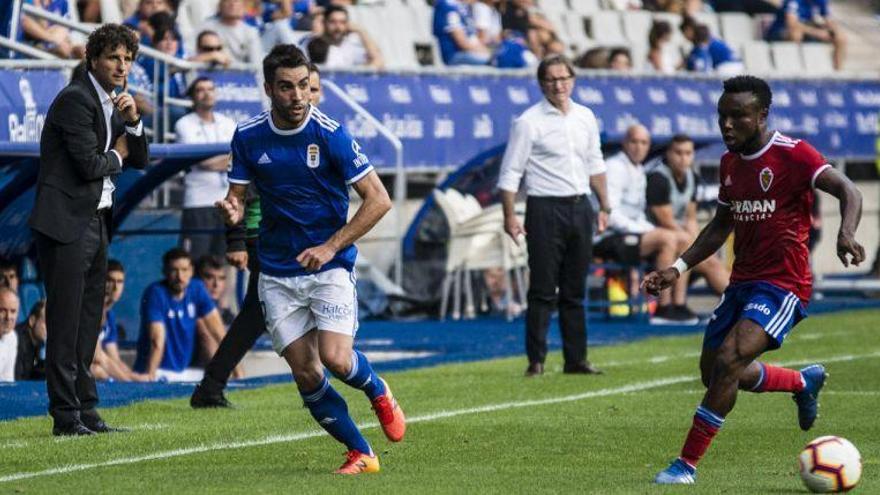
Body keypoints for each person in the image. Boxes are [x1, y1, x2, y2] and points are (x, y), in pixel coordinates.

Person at [648, 76, 865, 485]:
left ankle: (684, 466)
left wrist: (846, 232)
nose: (727, 125)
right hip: (741, 282)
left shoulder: (794, 154)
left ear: (761, 115)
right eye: (722, 116)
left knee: (731, 359)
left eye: (738, 116)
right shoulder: (731, 164)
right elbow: (720, 226)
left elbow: (849, 190)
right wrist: (675, 269)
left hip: (784, 284)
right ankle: (802, 382)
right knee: (715, 372)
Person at [217, 44, 405, 474]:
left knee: (337, 359)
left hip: (329, 265)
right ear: (269, 89)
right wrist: (231, 210)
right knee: (305, 372)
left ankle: (376, 389)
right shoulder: (248, 136)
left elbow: (379, 200)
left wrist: (331, 246)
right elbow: (237, 198)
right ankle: (362, 453)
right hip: (277, 272)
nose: (298, 96)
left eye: (304, 86)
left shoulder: (331, 133)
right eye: (286, 88)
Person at [29, 24, 148, 436]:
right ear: (93, 58)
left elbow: (142, 159)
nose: (122, 66)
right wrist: (118, 151)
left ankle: (87, 410)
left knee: (88, 323)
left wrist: (132, 121)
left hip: (95, 221)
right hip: (66, 225)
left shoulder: (113, 102)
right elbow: (91, 166)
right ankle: (65, 416)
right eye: (114, 57)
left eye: (128, 59)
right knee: (65, 323)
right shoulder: (76, 100)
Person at [190, 63, 324, 409]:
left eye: (311, 88)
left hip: (298, 241)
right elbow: (236, 191)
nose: (305, 96)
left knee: (256, 315)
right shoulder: (259, 136)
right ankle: (214, 384)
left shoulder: (322, 136)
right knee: (259, 314)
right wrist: (236, 240)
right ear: (273, 91)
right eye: (294, 88)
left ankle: (212, 385)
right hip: (264, 238)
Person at [497, 54, 611, 377]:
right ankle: (536, 360)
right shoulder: (529, 121)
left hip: (580, 206)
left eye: (564, 78)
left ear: (573, 80)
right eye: (551, 79)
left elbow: (596, 163)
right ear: (541, 84)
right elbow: (510, 173)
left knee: (575, 289)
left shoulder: (585, 117)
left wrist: (605, 205)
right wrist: (510, 216)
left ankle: (576, 359)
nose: (558, 85)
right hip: (544, 207)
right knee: (543, 289)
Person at [596, 125, 697, 324]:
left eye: (644, 143)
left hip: (631, 235)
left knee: (684, 239)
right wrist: (647, 230)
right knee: (667, 237)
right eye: (634, 141)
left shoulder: (640, 170)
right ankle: (662, 307)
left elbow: (638, 215)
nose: (638, 147)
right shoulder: (614, 167)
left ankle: (679, 304)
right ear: (625, 143)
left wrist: (647, 229)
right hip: (606, 237)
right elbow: (610, 214)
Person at [646, 134, 730, 295]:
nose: (683, 158)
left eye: (688, 153)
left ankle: (738, 305)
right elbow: (666, 221)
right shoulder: (658, 178)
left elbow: (690, 218)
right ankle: (677, 305)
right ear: (668, 154)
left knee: (712, 260)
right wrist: (694, 248)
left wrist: (699, 246)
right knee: (708, 262)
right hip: (659, 238)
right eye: (678, 153)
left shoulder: (693, 178)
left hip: (681, 237)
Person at [133, 249, 227, 382]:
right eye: (174, 270)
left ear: (191, 271)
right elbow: (156, 342)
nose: (179, 276)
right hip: (158, 371)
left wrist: (238, 374)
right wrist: (150, 378)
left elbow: (219, 333)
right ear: (165, 271)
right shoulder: (155, 293)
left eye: (184, 270)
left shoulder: (197, 288)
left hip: (183, 371)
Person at [175, 77, 238, 260]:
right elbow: (202, 161)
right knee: (195, 261)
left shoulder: (228, 123)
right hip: (198, 202)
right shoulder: (184, 124)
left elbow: (240, 157)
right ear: (193, 97)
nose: (207, 93)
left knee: (221, 263)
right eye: (201, 90)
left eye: (210, 89)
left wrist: (216, 160)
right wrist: (228, 161)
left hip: (226, 202)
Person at [765, 0, 846, 70]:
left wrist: (833, 30)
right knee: (796, 34)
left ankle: (838, 71)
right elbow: (792, 24)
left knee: (840, 38)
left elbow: (828, 19)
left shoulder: (820, 1)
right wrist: (817, 33)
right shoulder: (794, 1)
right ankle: (791, 66)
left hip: (806, 30)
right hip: (781, 31)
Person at [316, 5, 384, 69]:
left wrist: (361, 31)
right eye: (333, 22)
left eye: (342, 22)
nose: (338, 27)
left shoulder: (352, 45)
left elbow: (378, 62)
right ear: (324, 23)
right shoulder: (313, 45)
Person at [199, 0, 264, 64]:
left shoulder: (251, 32)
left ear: (243, 6)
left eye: (236, 1)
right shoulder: (205, 27)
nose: (232, 4)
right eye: (227, 1)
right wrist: (210, 56)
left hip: (240, 73)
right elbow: (190, 57)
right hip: (208, 73)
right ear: (220, 5)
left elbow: (256, 65)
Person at [433, 0, 492, 66]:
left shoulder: (461, 7)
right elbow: (462, 43)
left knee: (497, 60)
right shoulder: (447, 6)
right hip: (454, 56)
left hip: (467, 53)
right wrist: (488, 55)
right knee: (494, 62)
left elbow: (473, 39)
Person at [196, 255, 235, 326]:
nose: (216, 284)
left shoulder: (228, 317)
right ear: (198, 278)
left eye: (221, 278)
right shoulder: (190, 313)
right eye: (209, 277)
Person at [15, 300, 47, 381]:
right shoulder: (17, 341)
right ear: (32, 321)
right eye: (45, 322)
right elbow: (17, 380)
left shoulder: (37, 339)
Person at [0, 288, 20, 382]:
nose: (8, 317)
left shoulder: (11, 337)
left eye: (13, 311)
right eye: (2, 310)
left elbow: (8, 380)